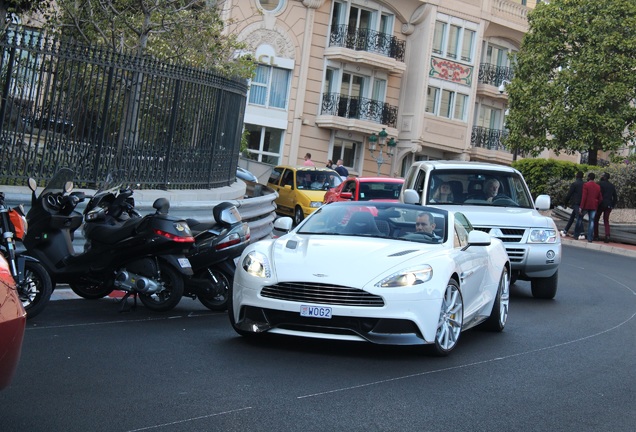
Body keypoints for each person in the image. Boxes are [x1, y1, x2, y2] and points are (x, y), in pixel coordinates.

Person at [573, 173, 603, 242]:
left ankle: (576, 235)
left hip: (586, 205)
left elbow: (584, 197)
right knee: (591, 221)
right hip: (594, 206)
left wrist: (581, 207)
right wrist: (597, 204)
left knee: (579, 219)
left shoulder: (586, 185)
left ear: (589, 177)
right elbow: (600, 198)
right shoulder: (598, 186)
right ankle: (590, 238)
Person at [594, 172, 618, 243]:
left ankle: (596, 235)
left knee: (596, 219)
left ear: (604, 177)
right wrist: (612, 205)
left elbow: (598, 194)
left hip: (601, 204)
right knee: (606, 220)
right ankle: (607, 235)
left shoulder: (600, 184)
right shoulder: (612, 186)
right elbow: (615, 197)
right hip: (609, 204)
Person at [560, 171, 584, 237]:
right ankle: (565, 230)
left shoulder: (574, 184)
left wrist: (565, 202)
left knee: (578, 217)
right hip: (582, 203)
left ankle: (582, 233)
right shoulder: (584, 184)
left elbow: (569, 194)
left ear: (577, 176)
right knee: (572, 217)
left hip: (575, 203)